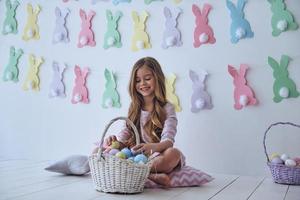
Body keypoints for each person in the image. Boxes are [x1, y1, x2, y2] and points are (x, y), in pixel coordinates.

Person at [94, 57, 185, 186]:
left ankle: (137, 173)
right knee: (96, 151)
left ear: (157, 78)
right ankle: (151, 176)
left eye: (147, 78)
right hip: (134, 155)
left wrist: (153, 147)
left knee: (174, 154)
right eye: (137, 80)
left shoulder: (167, 108)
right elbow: (126, 131)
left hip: (155, 155)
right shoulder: (134, 106)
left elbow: (169, 140)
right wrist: (117, 142)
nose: (142, 83)